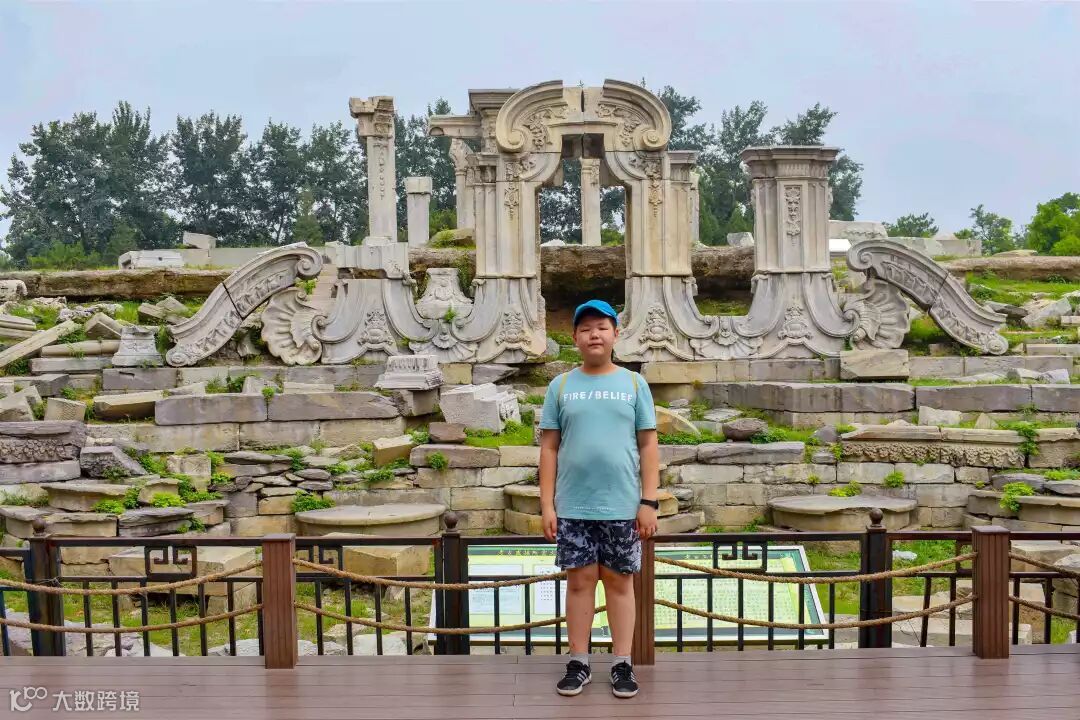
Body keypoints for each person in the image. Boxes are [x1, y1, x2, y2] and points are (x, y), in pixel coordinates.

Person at [538, 299, 659, 699]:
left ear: (615, 335)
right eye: (586, 328)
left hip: (622, 505)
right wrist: (547, 505)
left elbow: (648, 445)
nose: (595, 334)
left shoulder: (634, 384)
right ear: (574, 337)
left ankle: (622, 663)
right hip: (574, 506)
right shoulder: (561, 386)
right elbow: (549, 448)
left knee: (620, 584)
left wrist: (649, 501)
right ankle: (579, 662)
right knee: (579, 583)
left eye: (602, 327)